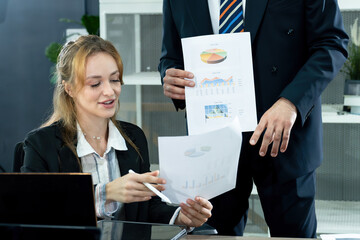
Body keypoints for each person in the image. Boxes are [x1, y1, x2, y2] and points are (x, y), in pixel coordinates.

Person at [158, 0, 348, 237]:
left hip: (284, 140)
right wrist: (171, 77)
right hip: (213, 145)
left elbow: (332, 43)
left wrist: (291, 102)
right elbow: (171, 57)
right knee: (212, 236)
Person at [21, 35, 212, 227]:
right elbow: (35, 210)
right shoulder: (41, 145)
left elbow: (146, 208)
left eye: (114, 79)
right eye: (95, 84)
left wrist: (181, 216)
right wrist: (106, 193)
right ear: (69, 88)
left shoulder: (133, 137)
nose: (110, 92)